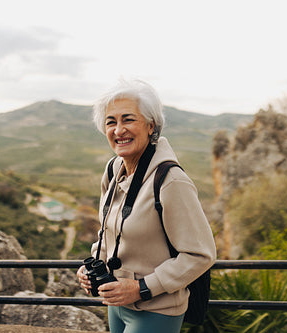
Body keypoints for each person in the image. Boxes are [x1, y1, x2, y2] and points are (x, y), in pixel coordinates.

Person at [76, 78, 216, 333]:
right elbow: (109, 230)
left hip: (157, 311)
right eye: (111, 122)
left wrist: (141, 288)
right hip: (116, 306)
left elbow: (201, 254)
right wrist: (92, 264)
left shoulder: (171, 181)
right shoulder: (113, 170)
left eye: (128, 119)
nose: (119, 130)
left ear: (151, 126)